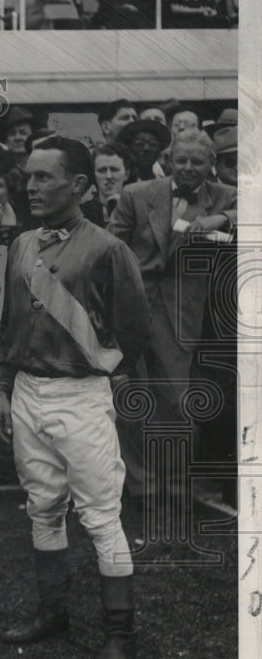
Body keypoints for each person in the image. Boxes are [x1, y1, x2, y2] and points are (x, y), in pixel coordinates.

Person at [0, 135, 150, 659]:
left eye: (43, 177)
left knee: (102, 517)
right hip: (28, 393)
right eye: (27, 176)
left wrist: (103, 379)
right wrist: (3, 389)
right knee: (42, 507)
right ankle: (51, 612)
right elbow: (10, 325)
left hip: (81, 396)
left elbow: (134, 332)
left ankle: (119, 637)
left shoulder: (108, 248)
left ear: (78, 185)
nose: (29, 186)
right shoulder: (21, 244)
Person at [108, 129, 237, 503]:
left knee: (179, 402)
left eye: (198, 162)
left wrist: (222, 218)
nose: (188, 168)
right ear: (168, 160)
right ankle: (142, 486)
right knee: (131, 399)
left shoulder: (223, 196)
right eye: (181, 160)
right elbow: (111, 247)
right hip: (132, 306)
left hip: (183, 312)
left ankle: (178, 487)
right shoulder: (137, 193)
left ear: (211, 165)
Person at [85, 143, 134, 227]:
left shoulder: (137, 211)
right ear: (94, 175)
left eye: (114, 170)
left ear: (126, 174)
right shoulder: (83, 214)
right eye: (102, 170)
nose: (109, 176)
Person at [117, 119, 171, 183]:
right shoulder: (120, 182)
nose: (146, 148)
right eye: (139, 144)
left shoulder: (165, 181)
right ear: (128, 148)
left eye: (153, 144)